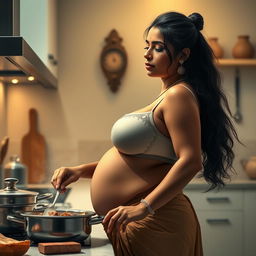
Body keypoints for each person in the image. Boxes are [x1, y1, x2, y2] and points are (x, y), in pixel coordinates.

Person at [51, 11, 240, 256]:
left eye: (158, 48)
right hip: (136, 220)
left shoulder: (178, 96)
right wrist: (80, 170)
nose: (147, 54)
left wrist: (144, 207)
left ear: (183, 55)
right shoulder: (169, 95)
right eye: (147, 45)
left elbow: (190, 161)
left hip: (156, 222)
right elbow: (139, 162)